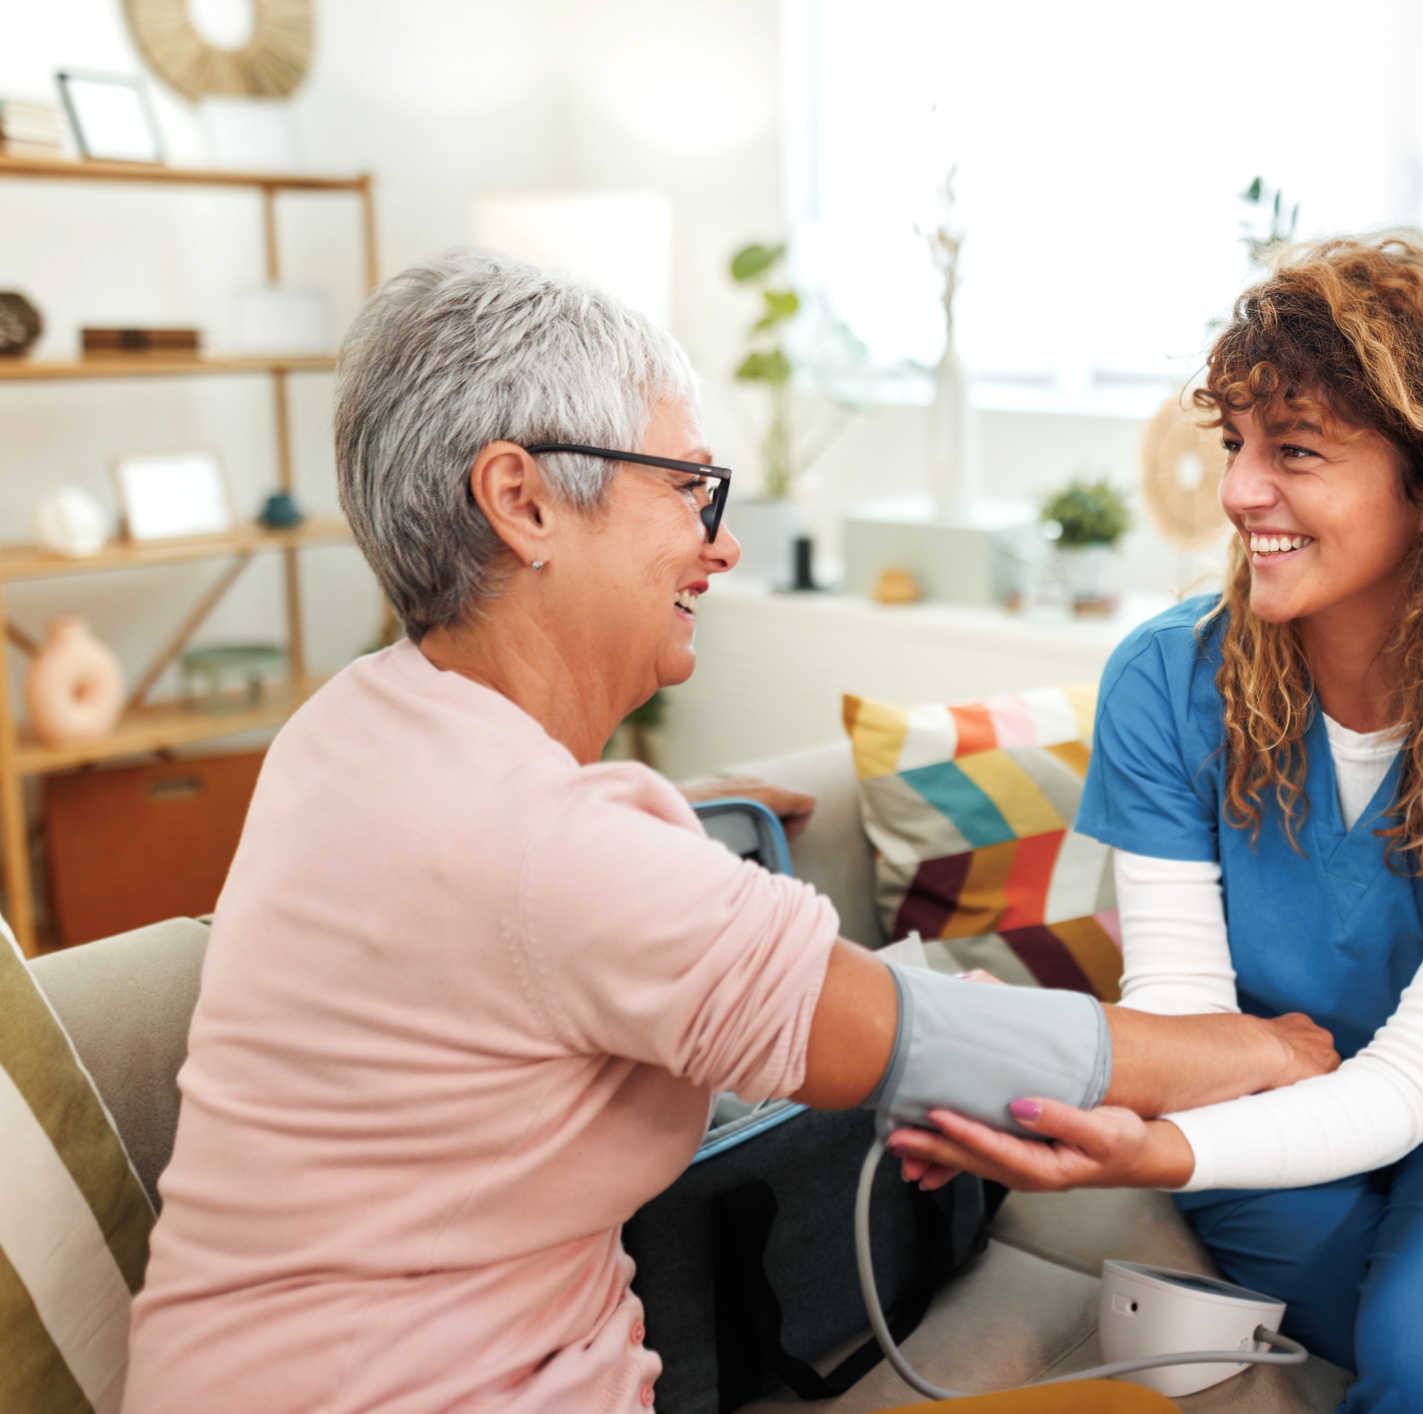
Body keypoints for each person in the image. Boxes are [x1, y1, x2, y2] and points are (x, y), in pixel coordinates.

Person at [125, 249, 1339, 1414]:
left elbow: (495, 954)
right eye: (686, 486)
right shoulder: (550, 849)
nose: (722, 540)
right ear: (521, 499)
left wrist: (689, 823)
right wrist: (1258, 1051)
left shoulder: (349, 727)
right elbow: (917, 1031)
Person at [888, 232, 1423, 1414]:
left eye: (1293, 452)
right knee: (1418, 1352)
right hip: (1250, 1077)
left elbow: (1409, 1084)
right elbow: (1181, 1007)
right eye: (1236, 444)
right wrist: (1067, 1077)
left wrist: (1153, 1149)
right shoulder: (1167, 681)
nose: (1238, 490)